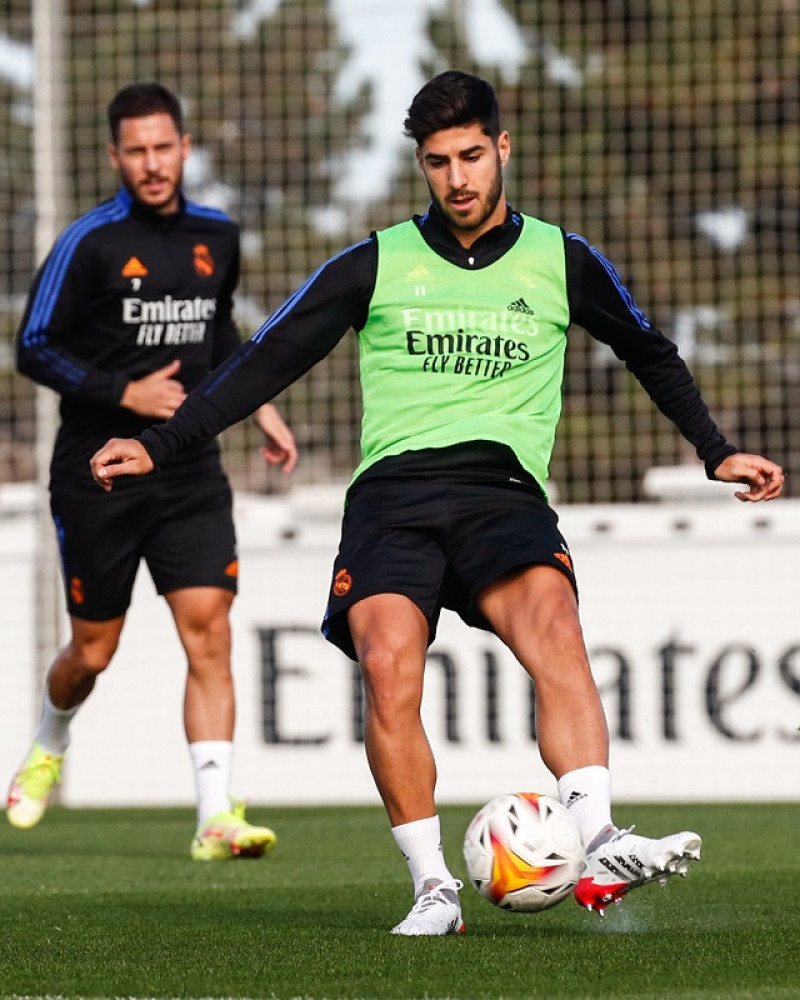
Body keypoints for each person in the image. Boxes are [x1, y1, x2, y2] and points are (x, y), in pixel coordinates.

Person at [89, 72, 784, 928]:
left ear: (502, 149)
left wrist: (714, 452)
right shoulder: (374, 263)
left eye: (469, 157)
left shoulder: (563, 260)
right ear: (421, 165)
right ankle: (434, 887)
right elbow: (260, 363)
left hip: (503, 491)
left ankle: (599, 837)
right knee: (388, 665)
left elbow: (651, 351)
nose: (457, 178)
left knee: (555, 625)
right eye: (436, 163)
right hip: (394, 496)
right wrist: (158, 447)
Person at [7, 82, 298, 861]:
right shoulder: (89, 241)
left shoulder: (217, 234)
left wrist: (261, 405)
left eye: (163, 146)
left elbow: (221, 330)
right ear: (115, 157)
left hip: (188, 464)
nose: (151, 162)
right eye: (135, 150)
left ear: (185, 147)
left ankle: (214, 816)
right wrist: (122, 390)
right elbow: (32, 345)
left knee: (209, 631)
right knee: (92, 653)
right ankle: (49, 738)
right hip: (97, 473)